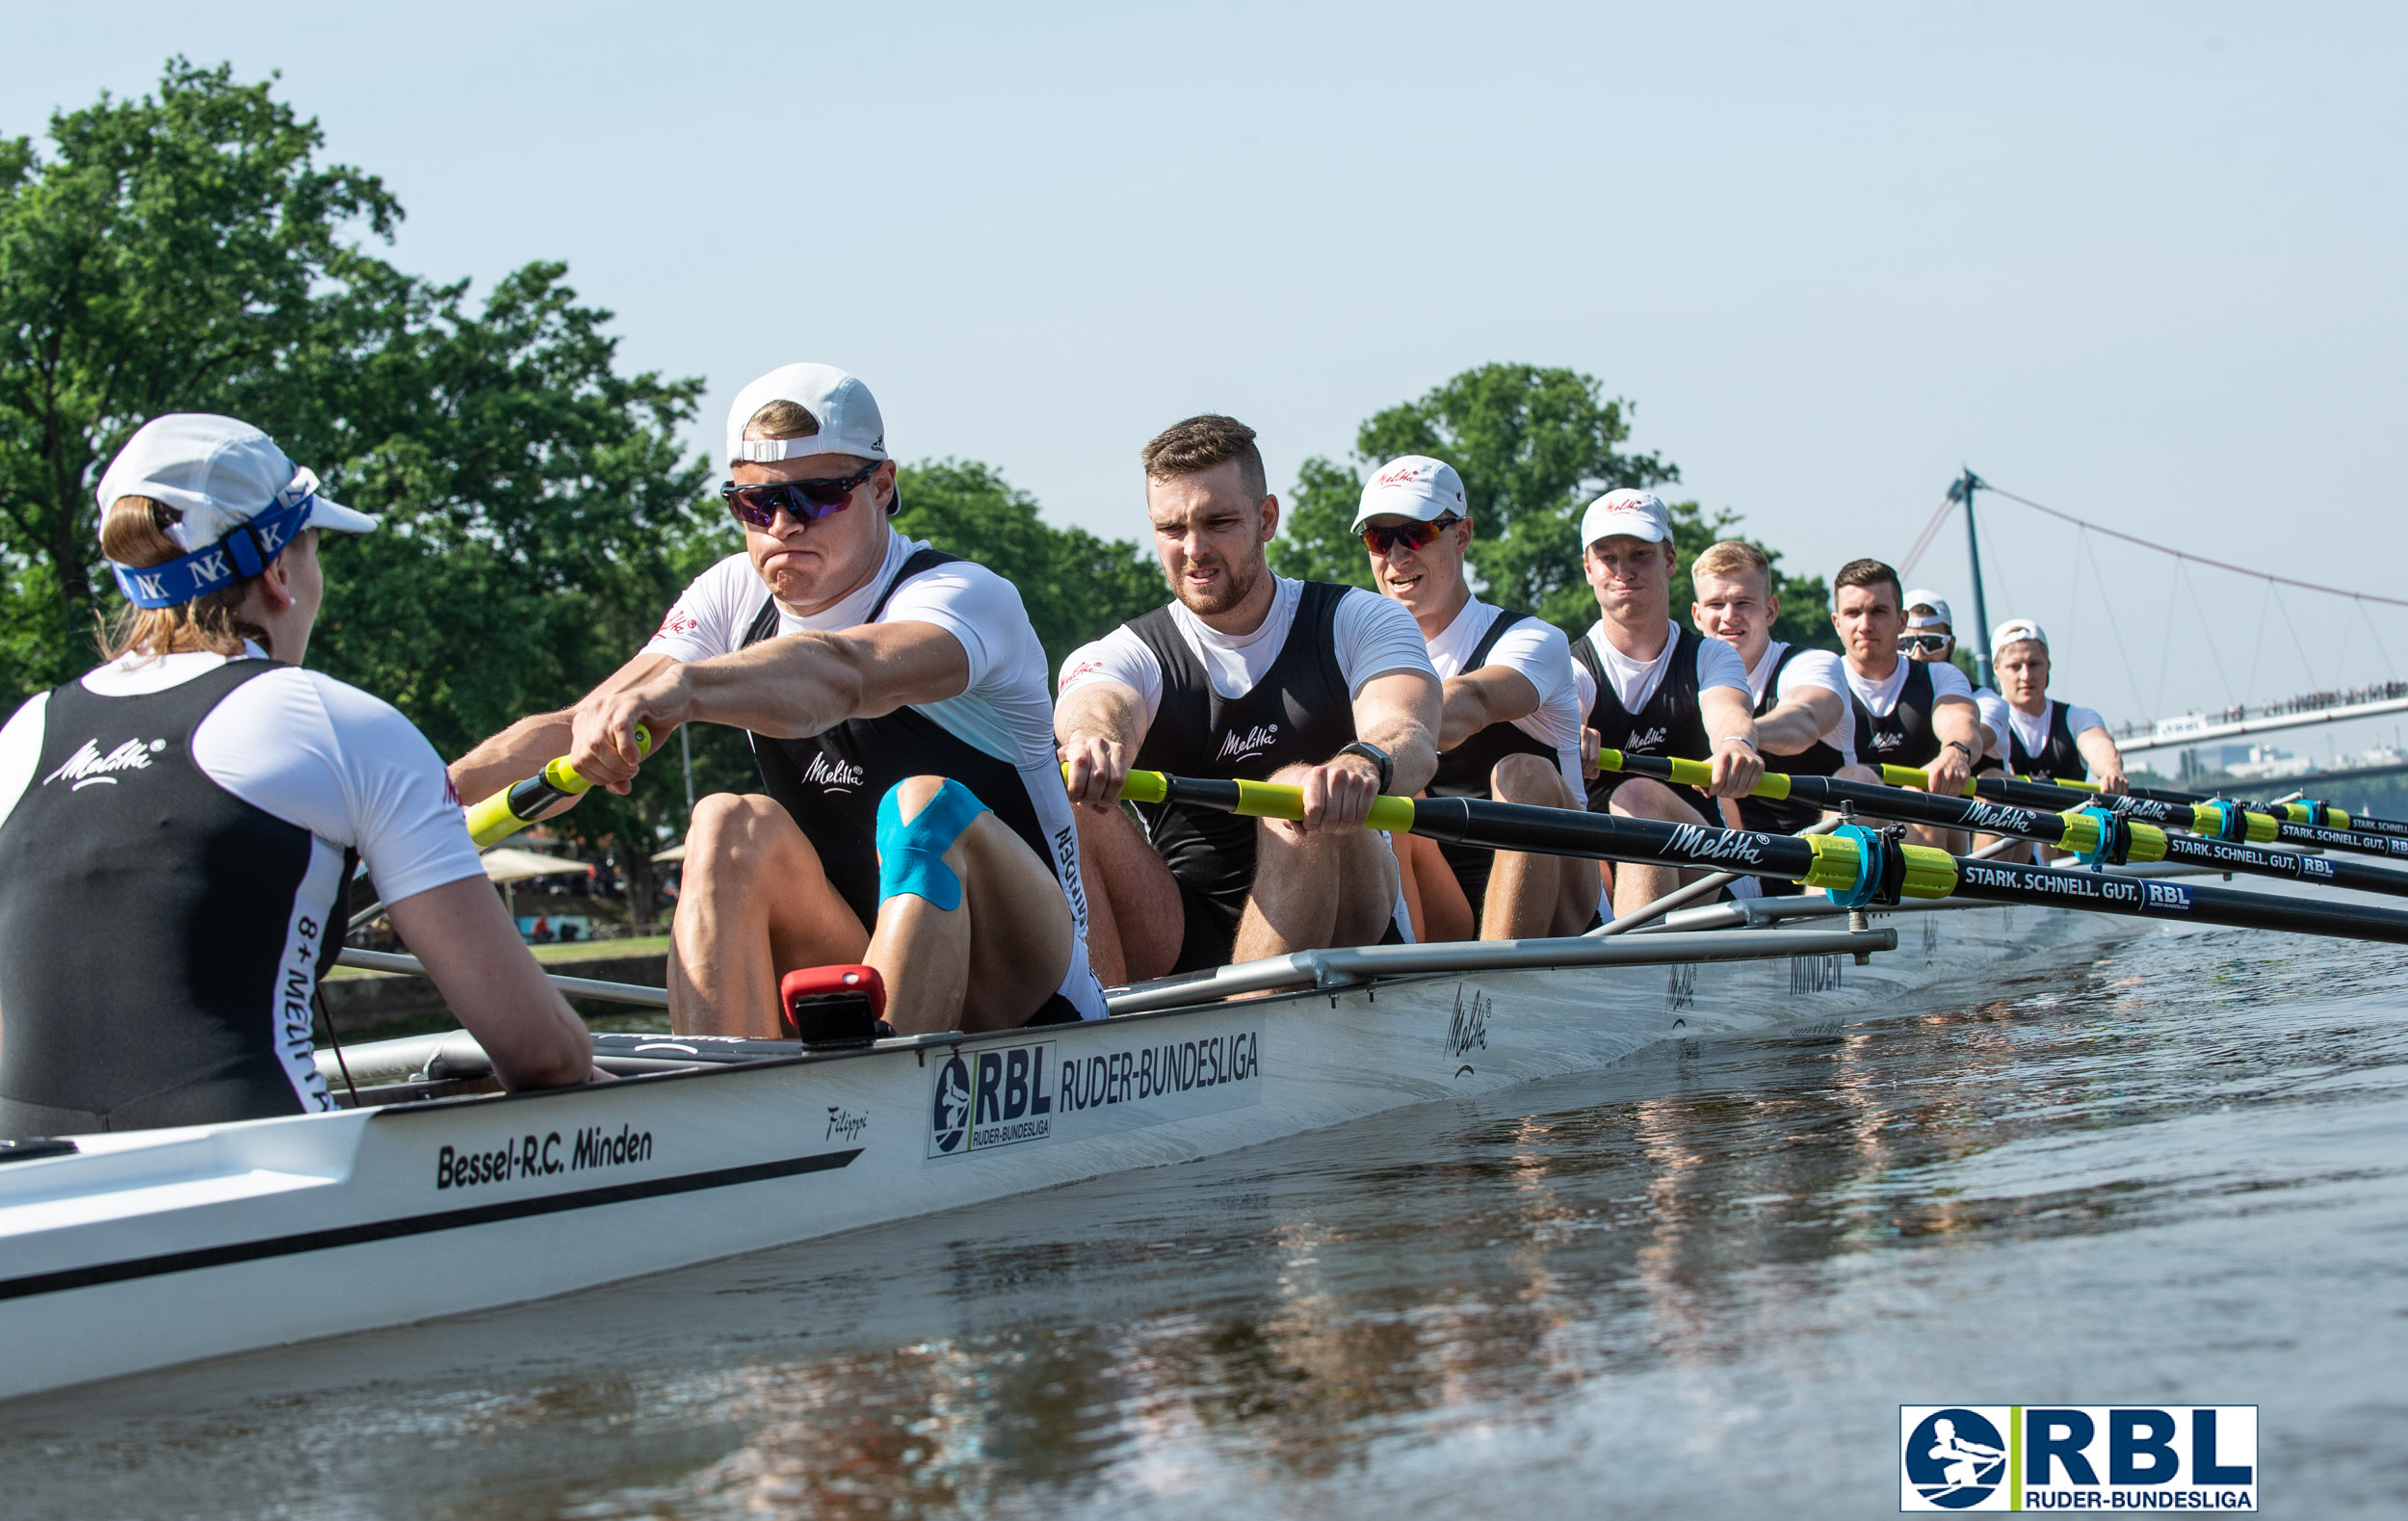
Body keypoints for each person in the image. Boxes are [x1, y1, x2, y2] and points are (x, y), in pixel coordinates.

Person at [452, 363, 1103, 1038]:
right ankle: (724, 1103)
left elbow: (844, 675)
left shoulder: (964, 597)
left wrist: (690, 688)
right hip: (859, 966)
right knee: (726, 821)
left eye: (816, 496)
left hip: (1029, 986)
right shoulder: (730, 593)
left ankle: (871, 1105)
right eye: (755, 505)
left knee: (923, 806)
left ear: (882, 487)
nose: (783, 525)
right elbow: (570, 727)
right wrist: (423, 801)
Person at [0, 414, 595, 1138]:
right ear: (279, 572)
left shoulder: (25, 734)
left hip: (26, 1191)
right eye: (314, 553)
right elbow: (543, 1054)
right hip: (263, 1171)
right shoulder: (337, 722)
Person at [1056, 415, 1441, 985]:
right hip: (1181, 925)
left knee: (1291, 790)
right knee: (1069, 789)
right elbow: (1096, 704)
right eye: (1171, 529)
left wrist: (1363, 763)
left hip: (1347, 914)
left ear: (1266, 519)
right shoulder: (1129, 652)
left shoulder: (1359, 619)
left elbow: (1408, 734)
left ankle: (1245, 1027)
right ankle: (1099, 1035)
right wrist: (1094, 742)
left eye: (1218, 523)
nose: (1194, 550)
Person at [1350, 456, 1597, 942]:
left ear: (1462, 535)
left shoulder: (1531, 639)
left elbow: (1473, 699)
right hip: (1446, 901)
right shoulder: (1357, 652)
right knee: (1391, 791)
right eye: (1380, 539)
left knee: (1523, 772)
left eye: (1416, 534)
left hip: (1564, 905)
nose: (1397, 557)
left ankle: (1492, 984)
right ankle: (1402, 983)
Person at [1568, 489, 1764, 917]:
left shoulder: (1710, 656)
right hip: (1607, 870)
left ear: (1670, 560)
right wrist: (1571, 732)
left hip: (1712, 870)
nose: (1624, 571)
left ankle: (1629, 970)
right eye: (1608, 558)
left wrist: (1735, 745)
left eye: (1640, 554)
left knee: (1637, 794)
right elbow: (1571, 705)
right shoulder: (1573, 666)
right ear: (1588, 569)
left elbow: (1728, 711)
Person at [1688, 540, 1877, 856]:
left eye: (1744, 603)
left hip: (1816, 853)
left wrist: (1738, 740)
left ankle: (1820, 906)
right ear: (1697, 614)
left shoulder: (1812, 664)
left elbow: (1805, 718)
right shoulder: (1683, 674)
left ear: (1771, 610)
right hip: (1731, 861)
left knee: (1859, 779)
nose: (1730, 617)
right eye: (1716, 605)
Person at [1831, 559, 1983, 850]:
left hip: (1930, 832)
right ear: (1837, 623)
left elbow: (1961, 721)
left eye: (1878, 611)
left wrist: (1956, 751)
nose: (1865, 625)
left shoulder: (1939, 676)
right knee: (1857, 781)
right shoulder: (1822, 680)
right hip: (1850, 836)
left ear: (1902, 621)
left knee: (1920, 794)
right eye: (1853, 613)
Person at [1990, 619, 2129, 793]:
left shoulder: (2077, 718)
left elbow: (2098, 744)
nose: (2026, 676)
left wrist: (2111, 770)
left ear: (2048, 665)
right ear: (1996, 669)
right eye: (2015, 667)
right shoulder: (1988, 720)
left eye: (2034, 664)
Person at [1901, 590, 2011, 775]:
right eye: (1906, 643)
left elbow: (1975, 736)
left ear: (1951, 645)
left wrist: (1958, 749)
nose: (1918, 654)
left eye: (1933, 643)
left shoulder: (1986, 700)